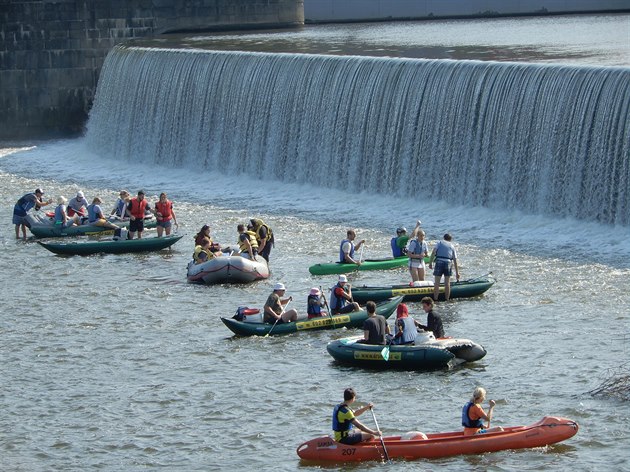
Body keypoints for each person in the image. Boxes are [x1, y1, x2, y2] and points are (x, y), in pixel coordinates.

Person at [429, 233, 460, 301]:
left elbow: (433, 252)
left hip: (439, 261)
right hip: (448, 263)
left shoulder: (439, 243)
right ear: (450, 239)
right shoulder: (452, 246)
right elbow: (455, 260)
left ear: (443, 238)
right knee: (447, 283)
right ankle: (447, 299)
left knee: (437, 283)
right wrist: (457, 273)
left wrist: (430, 262)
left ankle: (435, 299)